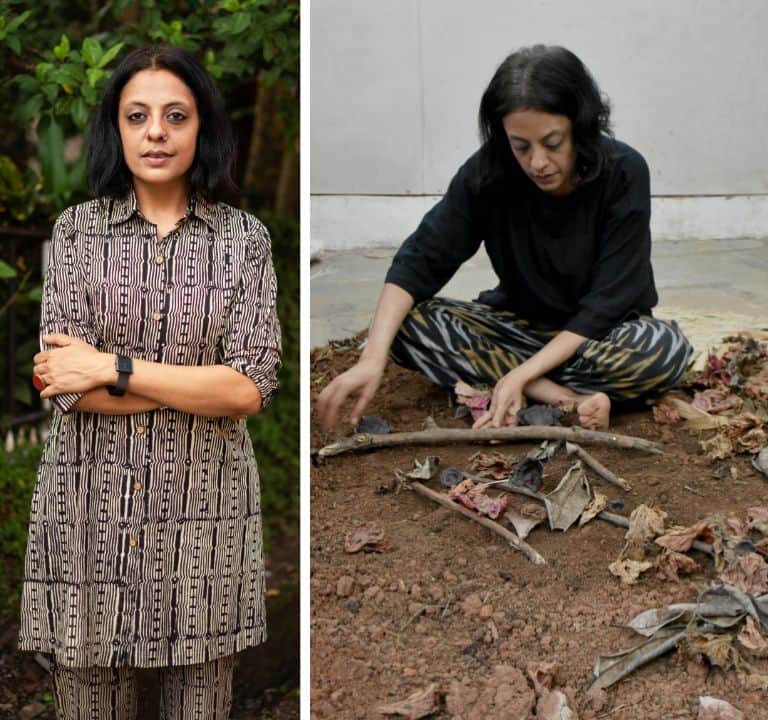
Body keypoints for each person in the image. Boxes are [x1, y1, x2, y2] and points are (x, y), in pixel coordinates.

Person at [21, 45, 280, 718]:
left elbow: (250, 389)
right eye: (138, 116)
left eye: (175, 115)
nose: (156, 132)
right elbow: (63, 386)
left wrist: (113, 367)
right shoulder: (76, 234)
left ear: (203, 128)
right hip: (87, 516)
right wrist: (202, 387)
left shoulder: (244, 241)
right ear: (118, 129)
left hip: (206, 521)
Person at [315, 45, 693, 433]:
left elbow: (608, 302)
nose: (538, 163)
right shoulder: (487, 174)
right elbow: (420, 260)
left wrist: (515, 375)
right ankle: (565, 399)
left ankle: (515, 382)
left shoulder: (624, 172)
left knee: (662, 349)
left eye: (552, 143)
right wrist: (372, 360)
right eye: (521, 146)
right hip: (518, 329)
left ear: (579, 126)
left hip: (599, 338)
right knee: (408, 325)